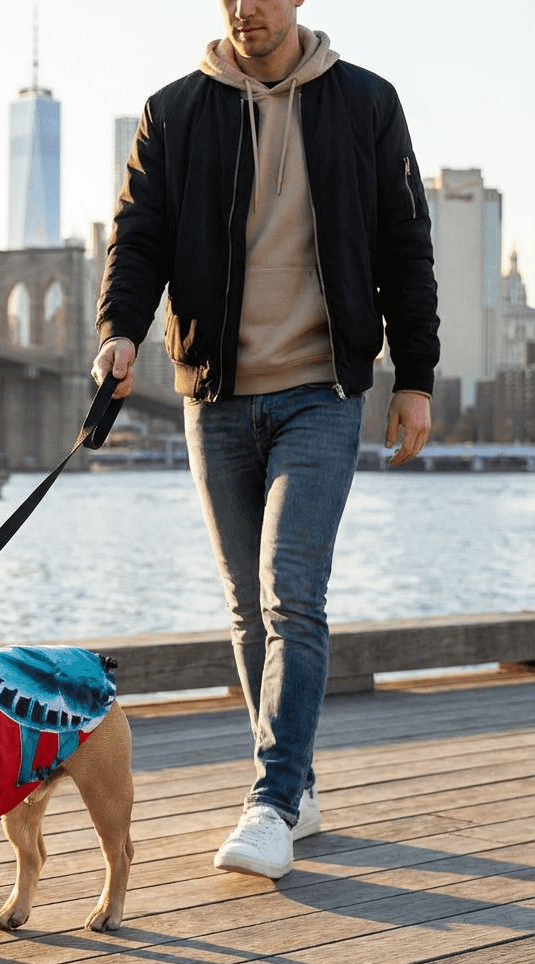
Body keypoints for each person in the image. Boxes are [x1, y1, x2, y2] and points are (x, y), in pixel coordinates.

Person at [92, 0, 439, 879]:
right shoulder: (176, 110)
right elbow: (139, 238)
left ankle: (272, 803)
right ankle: (301, 783)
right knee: (249, 606)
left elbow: (407, 245)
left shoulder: (366, 102)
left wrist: (418, 379)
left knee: (293, 593)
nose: (247, 7)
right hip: (213, 394)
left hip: (322, 391)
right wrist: (121, 329)